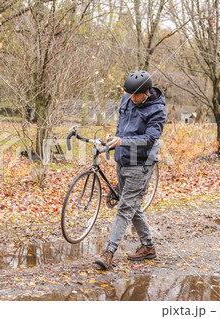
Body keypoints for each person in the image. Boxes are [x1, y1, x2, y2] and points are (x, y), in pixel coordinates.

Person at [94, 70, 166, 270]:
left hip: (141, 164)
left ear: (147, 92)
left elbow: (150, 139)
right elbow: (122, 125)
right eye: (130, 94)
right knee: (133, 205)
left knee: (125, 208)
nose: (132, 99)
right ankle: (148, 247)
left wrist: (123, 141)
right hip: (123, 160)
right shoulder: (127, 99)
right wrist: (114, 138)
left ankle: (108, 252)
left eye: (136, 95)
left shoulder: (157, 110)